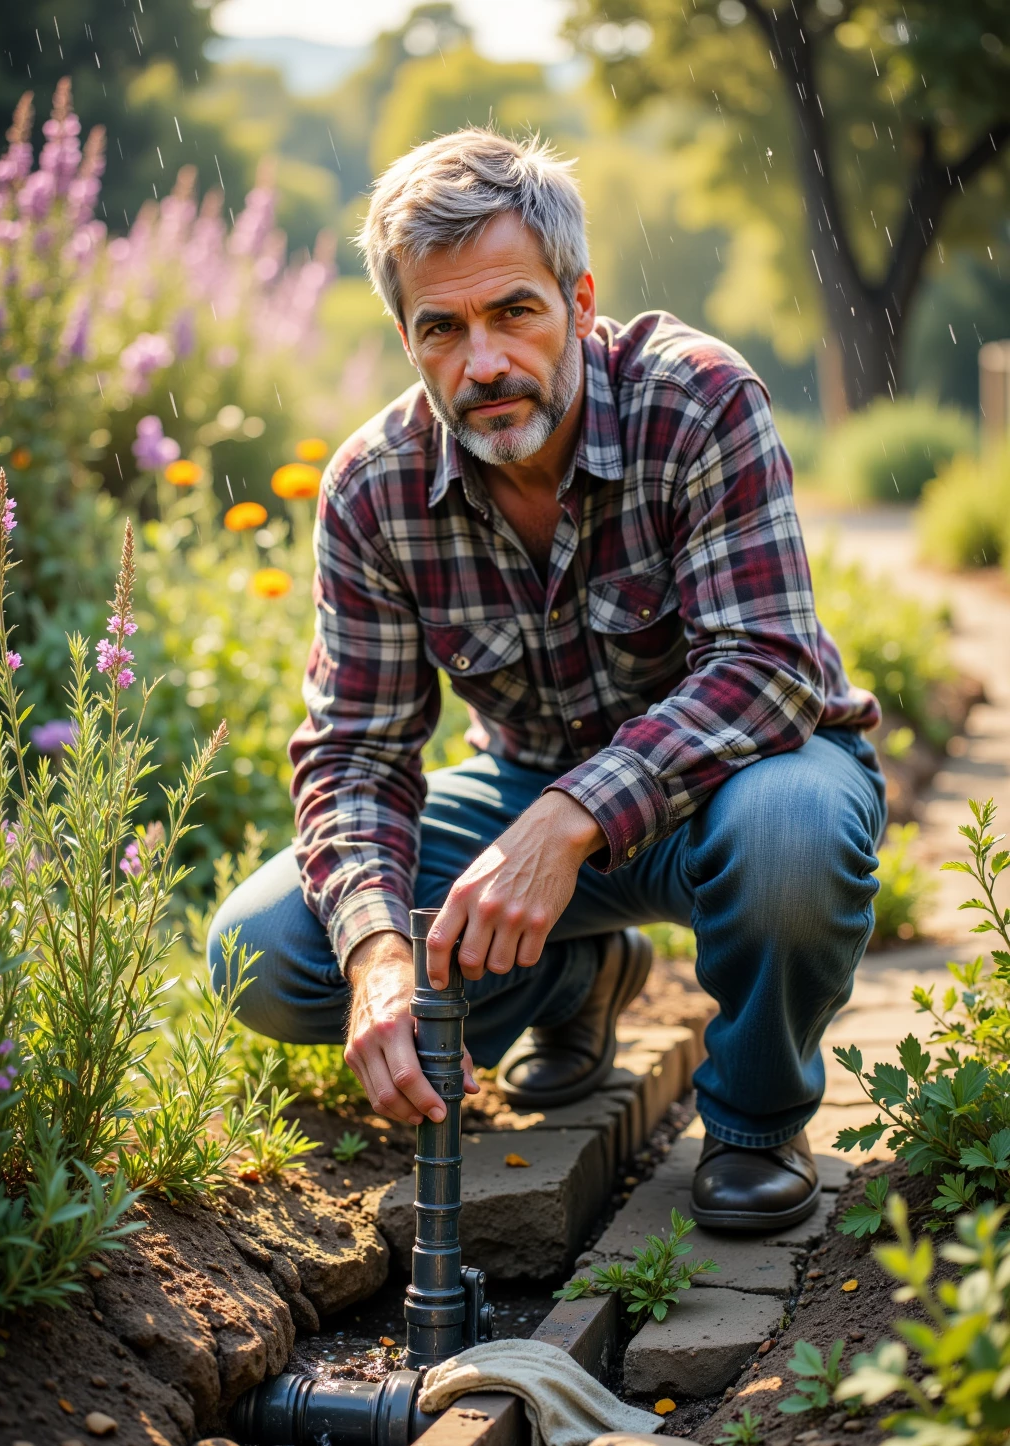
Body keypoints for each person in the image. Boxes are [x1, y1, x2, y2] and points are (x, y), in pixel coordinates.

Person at [208, 128, 886, 1233]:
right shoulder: (372, 490)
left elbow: (767, 667)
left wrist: (574, 816)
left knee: (793, 834)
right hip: (524, 795)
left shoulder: (697, 399)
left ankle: (758, 1123)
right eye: (443, 328)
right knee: (267, 953)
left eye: (512, 312)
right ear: (406, 337)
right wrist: (380, 952)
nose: (482, 363)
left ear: (577, 298)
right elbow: (356, 752)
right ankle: (576, 978)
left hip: (736, 791)